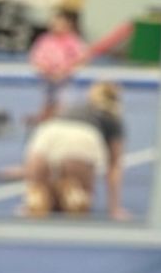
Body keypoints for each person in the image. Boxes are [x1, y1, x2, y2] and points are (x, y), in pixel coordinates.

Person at [23, 80, 129, 221]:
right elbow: (114, 166)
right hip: (82, 139)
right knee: (79, 206)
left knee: (39, 196)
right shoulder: (114, 119)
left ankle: (40, 197)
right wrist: (114, 208)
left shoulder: (72, 107)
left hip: (47, 133)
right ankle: (72, 195)